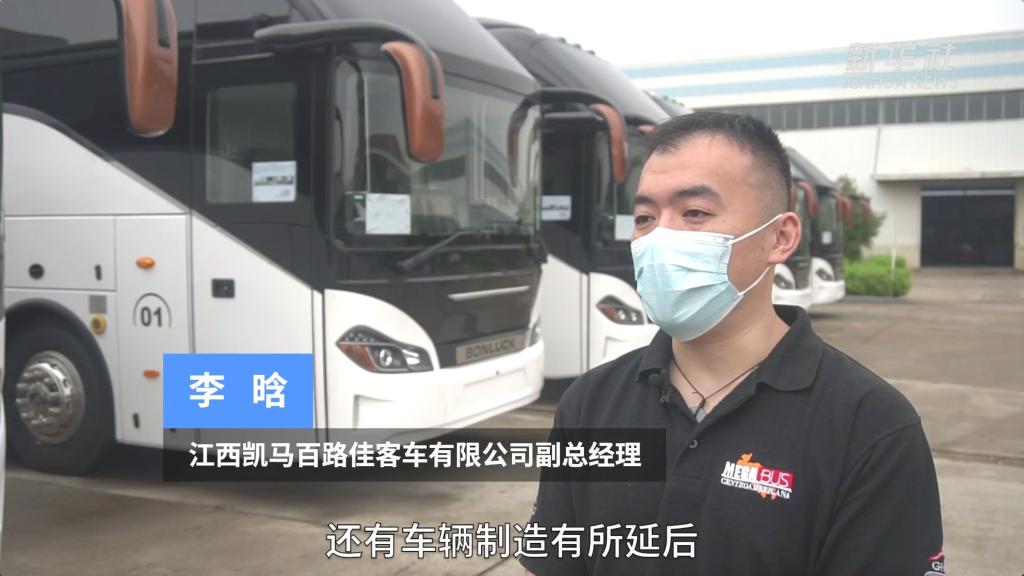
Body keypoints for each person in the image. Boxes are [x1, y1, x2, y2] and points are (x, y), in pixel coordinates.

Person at [521, 112, 944, 576]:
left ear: (780, 237)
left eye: (695, 213)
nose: (659, 238)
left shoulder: (872, 427)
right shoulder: (590, 402)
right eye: (644, 218)